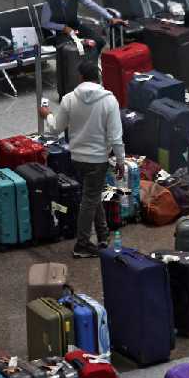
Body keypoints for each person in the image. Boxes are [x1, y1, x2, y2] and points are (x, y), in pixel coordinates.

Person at [38, 61, 126, 258]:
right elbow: (115, 136)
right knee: (90, 198)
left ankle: (103, 235)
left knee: (91, 195)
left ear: (80, 77)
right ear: (99, 77)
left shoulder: (69, 99)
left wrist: (47, 115)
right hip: (98, 159)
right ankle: (82, 244)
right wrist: (120, 160)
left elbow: (56, 129)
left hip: (77, 157)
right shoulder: (109, 100)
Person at [41, 0, 124, 52]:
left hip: (75, 26)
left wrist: (110, 17)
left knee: (99, 41)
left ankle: (91, 63)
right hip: (59, 32)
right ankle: (77, 64)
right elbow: (45, 23)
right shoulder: (49, 2)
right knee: (72, 49)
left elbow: (91, 4)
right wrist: (62, 27)